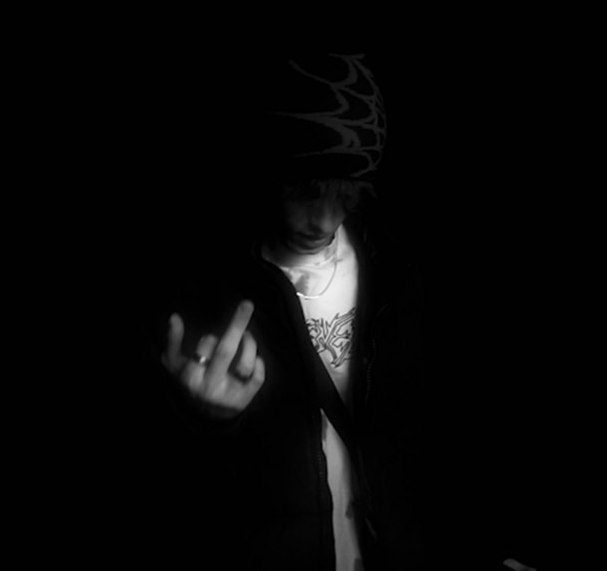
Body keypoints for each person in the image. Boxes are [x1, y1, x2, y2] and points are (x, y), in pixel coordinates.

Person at [125, 53, 537, 570]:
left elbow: (438, 440)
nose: (323, 218)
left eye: (346, 194)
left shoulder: (398, 276)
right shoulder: (203, 292)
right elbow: (165, 499)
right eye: (306, 191)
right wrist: (201, 420)